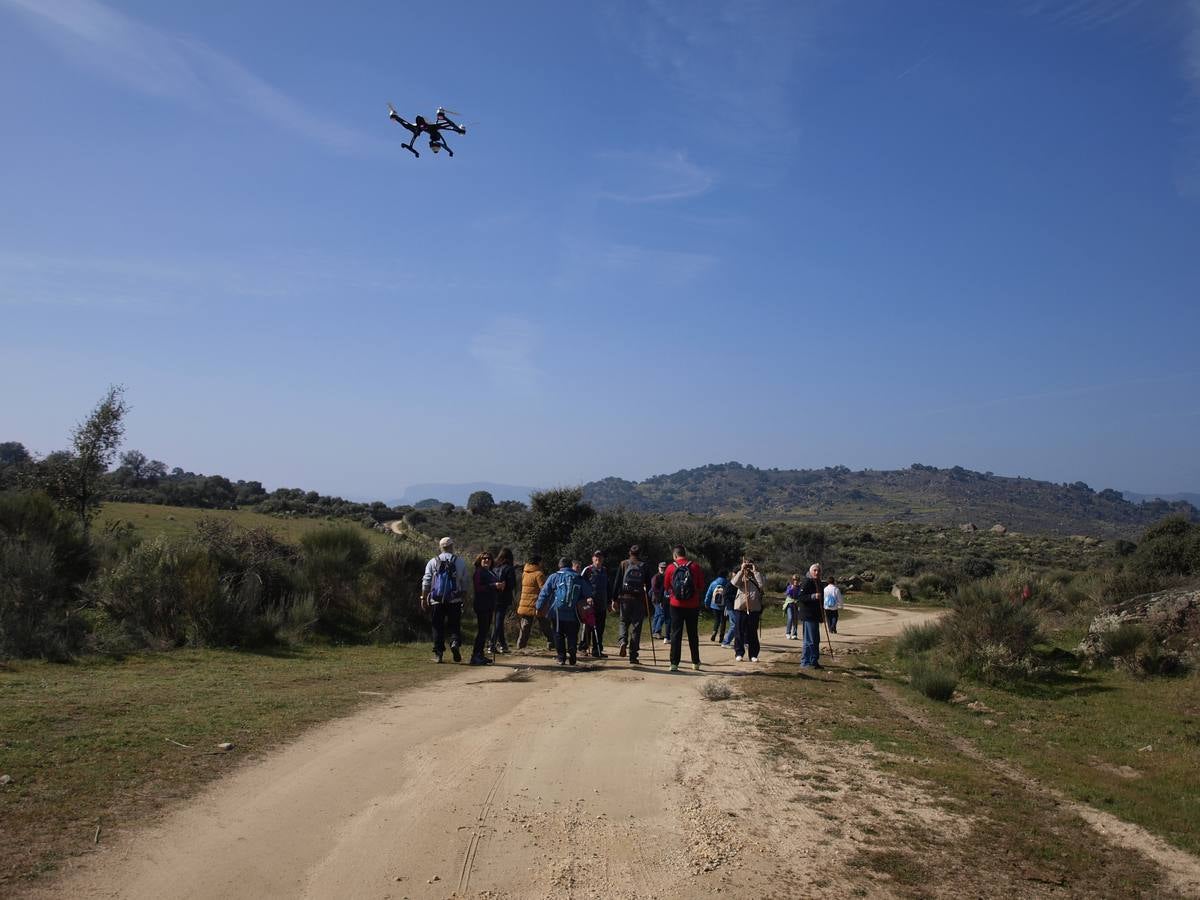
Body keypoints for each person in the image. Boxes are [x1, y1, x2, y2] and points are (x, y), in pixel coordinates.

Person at [537, 557, 594, 666]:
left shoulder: (554, 577)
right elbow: (588, 592)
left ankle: (561, 657)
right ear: (570, 566)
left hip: (557, 612)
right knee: (572, 634)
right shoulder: (578, 578)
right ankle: (572, 655)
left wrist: (538, 606)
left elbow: (544, 592)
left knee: (558, 634)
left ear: (560, 566)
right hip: (574, 613)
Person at [420, 536, 468, 663]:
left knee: (437, 626)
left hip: (437, 599)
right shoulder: (460, 562)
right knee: (455, 624)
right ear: (452, 547)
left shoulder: (433, 562)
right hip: (455, 600)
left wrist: (423, 598)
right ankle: (454, 642)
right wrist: (464, 598)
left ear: (441, 547)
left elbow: (426, 581)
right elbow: (464, 583)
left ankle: (439, 653)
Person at [663, 545, 706, 672]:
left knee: (676, 634)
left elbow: (666, 586)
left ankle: (674, 663)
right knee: (693, 634)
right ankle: (695, 662)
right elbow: (701, 585)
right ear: (685, 554)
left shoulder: (671, 567)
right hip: (692, 605)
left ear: (675, 555)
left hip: (675, 605)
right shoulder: (695, 566)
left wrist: (673, 593)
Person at [612, 544, 652, 664]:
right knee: (636, 627)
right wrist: (647, 600)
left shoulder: (624, 564)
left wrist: (614, 599)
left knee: (623, 622)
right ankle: (633, 656)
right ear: (640, 554)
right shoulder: (643, 565)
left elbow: (617, 582)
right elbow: (649, 585)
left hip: (624, 599)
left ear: (630, 552)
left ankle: (623, 641)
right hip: (638, 600)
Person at [730, 557, 765, 662]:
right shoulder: (741, 576)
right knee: (739, 632)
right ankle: (739, 653)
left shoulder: (757, 576)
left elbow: (762, 586)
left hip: (754, 609)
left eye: (750, 565)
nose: (748, 567)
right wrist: (741, 570)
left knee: (752, 633)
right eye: (747, 565)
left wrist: (755, 572)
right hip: (741, 608)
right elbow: (734, 583)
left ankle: (753, 655)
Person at [515, 554, 553, 651]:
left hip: (525, 603)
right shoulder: (539, 574)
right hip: (536, 603)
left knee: (525, 625)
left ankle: (520, 644)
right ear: (538, 562)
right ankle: (552, 642)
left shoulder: (525, 573)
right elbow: (543, 589)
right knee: (545, 624)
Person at [470, 552, 500, 666]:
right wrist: (493, 586)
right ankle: (475, 656)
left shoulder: (491, 572)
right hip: (481, 604)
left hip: (489, 604)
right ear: (479, 560)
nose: (487, 560)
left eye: (489, 558)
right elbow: (478, 588)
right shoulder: (479, 572)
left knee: (485, 631)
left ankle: (480, 655)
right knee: (482, 631)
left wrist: (498, 587)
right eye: (484, 558)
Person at [580, 551, 610, 658]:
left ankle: (597, 650)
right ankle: (583, 648)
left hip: (601, 604)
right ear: (593, 559)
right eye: (596, 558)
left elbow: (608, 587)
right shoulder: (587, 570)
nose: (598, 560)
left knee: (600, 628)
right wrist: (586, 597)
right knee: (587, 626)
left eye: (600, 558)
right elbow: (580, 584)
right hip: (589, 604)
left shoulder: (605, 570)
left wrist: (609, 602)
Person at [490, 548, 516, 654]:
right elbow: (511, 584)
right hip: (504, 597)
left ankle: (503, 644)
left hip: (493, 596)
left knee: (498, 620)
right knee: (499, 621)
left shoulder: (495, 567)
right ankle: (492, 644)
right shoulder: (509, 568)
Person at [799, 563, 825, 668]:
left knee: (816, 640)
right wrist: (813, 596)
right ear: (810, 572)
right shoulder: (807, 582)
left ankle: (814, 661)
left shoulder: (819, 583)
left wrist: (822, 615)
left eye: (818, 570)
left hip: (815, 616)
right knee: (809, 640)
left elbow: (821, 601)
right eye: (815, 570)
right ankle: (805, 662)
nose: (817, 572)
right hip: (808, 615)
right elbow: (801, 597)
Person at [705, 571, 732, 642]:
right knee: (723, 621)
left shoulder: (713, 583)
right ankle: (721, 637)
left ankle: (714, 632)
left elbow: (709, 594)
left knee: (717, 620)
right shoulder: (727, 583)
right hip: (724, 606)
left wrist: (706, 603)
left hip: (714, 605)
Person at [650, 561, 669, 640]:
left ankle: (654, 631)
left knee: (657, 615)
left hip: (661, 598)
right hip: (656, 598)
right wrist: (660, 599)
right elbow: (654, 588)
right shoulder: (656, 577)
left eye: (664, 568)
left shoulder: (665, 576)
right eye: (661, 568)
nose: (663, 569)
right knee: (662, 615)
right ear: (658, 568)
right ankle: (657, 631)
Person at [783, 574, 802, 640]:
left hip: (796, 604)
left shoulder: (800, 588)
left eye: (797, 580)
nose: (795, 581)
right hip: (789, 604)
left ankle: (794, 634)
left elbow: (800, 595)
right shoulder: (789, 586)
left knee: (795, 619)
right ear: (792, 580)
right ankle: (788, 633)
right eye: (794, 580)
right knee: (790, 618)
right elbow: (787, 593)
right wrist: (791, 589)